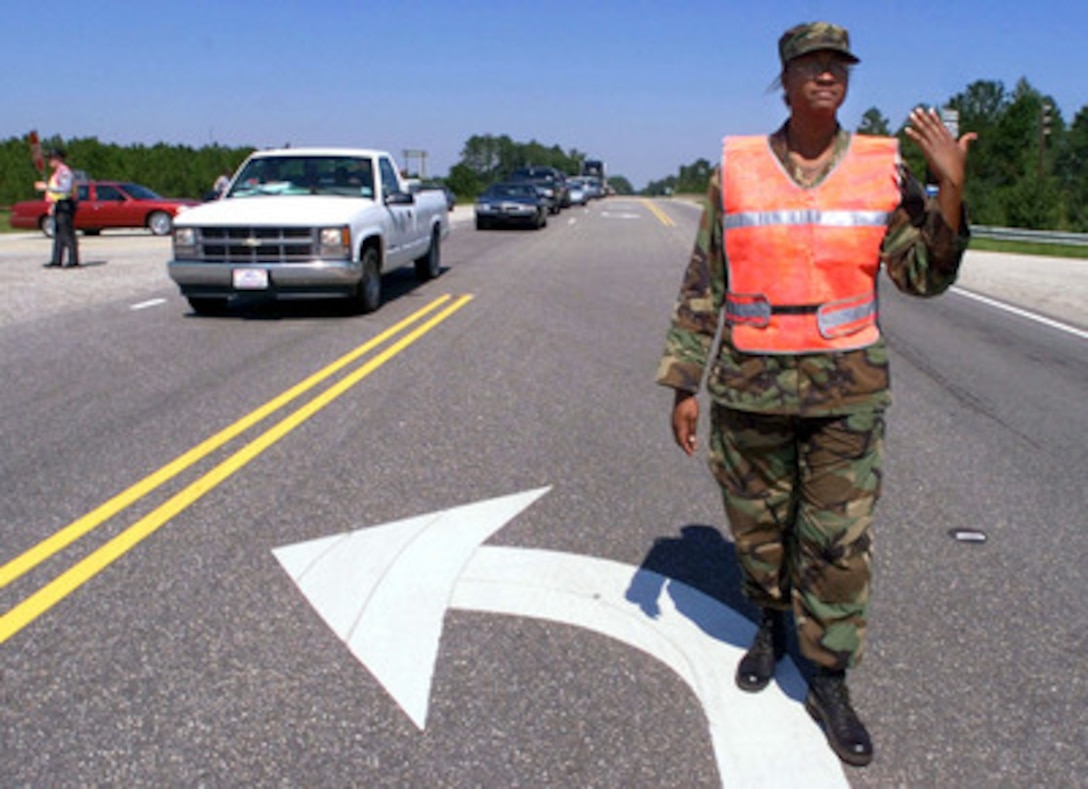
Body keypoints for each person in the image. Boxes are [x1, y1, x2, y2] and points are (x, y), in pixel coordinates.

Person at [656, 22, 975, 768]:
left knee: (837, 544)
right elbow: (706, 282)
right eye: (812, 63)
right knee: (761, 532)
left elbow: (923, 276)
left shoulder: (881, 166)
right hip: (749, 389)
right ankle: (770, 621)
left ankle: (828, 677)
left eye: (839, 64)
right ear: (786, 76)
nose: (827, 73)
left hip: (846, 395)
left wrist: (949, 187)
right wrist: (682, 381)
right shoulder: (733, 169)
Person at [35, 148, 79, 268]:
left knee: (67, 233)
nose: (49, 161)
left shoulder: (65, 172)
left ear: (58, 159)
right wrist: (53, 205)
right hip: (59, 204)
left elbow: (65, 189)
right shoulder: (57, 173)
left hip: (66, 204)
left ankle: (73, 260)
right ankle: (56, 259)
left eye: (51, 158)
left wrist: (47, 187)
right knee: (58, 233)